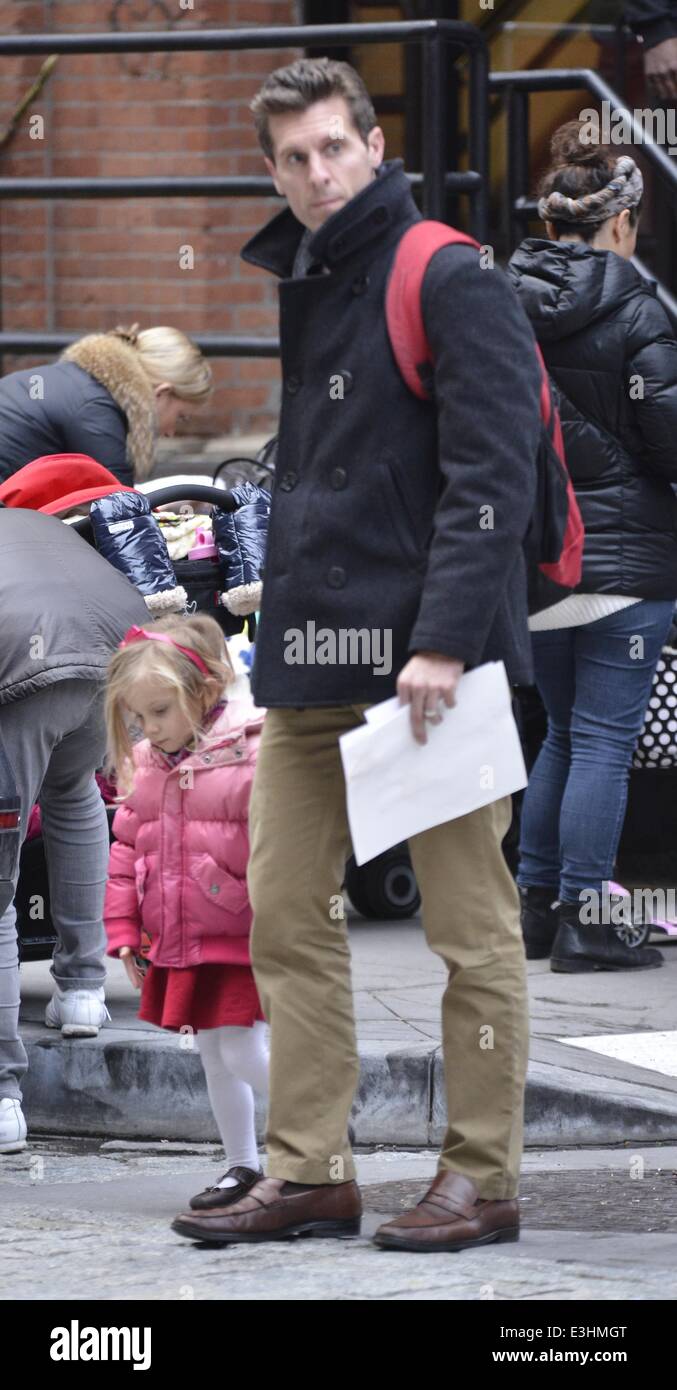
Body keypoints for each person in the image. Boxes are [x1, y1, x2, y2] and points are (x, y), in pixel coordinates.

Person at [172, 57, 543, 1252]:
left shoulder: (446, 272)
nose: (317, 172)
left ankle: (480, 1175)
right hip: (310, 665)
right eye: (293, 157)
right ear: (272, 168)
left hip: (432, 672)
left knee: (469, 933)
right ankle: (312, 1168)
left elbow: (493, 479)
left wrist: (438, 641)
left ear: (372, 145)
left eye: (334, 147)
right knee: (282, 915)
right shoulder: (312, 273)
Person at [508, 120, 677, 972]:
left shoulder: (499, 302)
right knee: (603, 740)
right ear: (621, 223)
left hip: (538, 561)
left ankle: (537, 907)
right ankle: (586, 915)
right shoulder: (637, 305)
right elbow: (668, 440)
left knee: (563, 736)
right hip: (626, 564)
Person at [102, 615, 269, 1214]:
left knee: (242, 1053)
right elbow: (126, 850)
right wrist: (124, 932)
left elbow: (277, 847)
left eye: (159, 713)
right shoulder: (147, 762)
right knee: (213, 1059)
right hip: (182, 938)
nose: (148, 729)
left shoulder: (251, 751)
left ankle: (318, 1130)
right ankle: (242, 1165)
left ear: (206, 689)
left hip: (242, 935)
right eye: (139, 718)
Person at [0, 506, 148, 1155]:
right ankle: (84, 990)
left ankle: (3, 1095)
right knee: (74, 787)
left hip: (31, 666)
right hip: (116, 649)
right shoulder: (29, 523)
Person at [0, 324, 212, 487]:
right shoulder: (97, 410)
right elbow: (121, 520)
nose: (171, 433)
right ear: (162, 393)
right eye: (181, 417)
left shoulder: (82, 383)